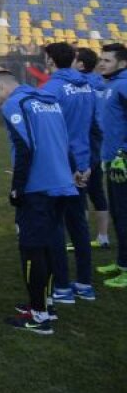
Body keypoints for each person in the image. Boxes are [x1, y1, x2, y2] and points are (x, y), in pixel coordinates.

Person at [0, 70, 78, 332]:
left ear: (1, 86)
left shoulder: (15, 104)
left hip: (38, 188)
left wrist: (17, 188)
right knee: (48, 247)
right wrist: (73, 169)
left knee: (31, 250)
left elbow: (26, 148)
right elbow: (64, 140)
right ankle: (45, 304)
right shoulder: (48, 99)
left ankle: (39, 316)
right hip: (61, 183)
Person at [39, 42, 96, 303]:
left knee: (54, 225)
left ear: (50, 60)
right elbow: (94, 127)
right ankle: (84, 283)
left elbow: (49, 132)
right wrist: (86, 164)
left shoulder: (51, 89)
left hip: (61, 165)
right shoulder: (88, 86)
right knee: (79, 225)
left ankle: (62, 287)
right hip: (82, 163)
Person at [95, 43, 127, 288]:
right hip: (113, 161)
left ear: (122, 63)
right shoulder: (111, 84)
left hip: (122, 162)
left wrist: (122, 153)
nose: (102, 63)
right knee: (118, 214)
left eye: (107, 60)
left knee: (125, 215)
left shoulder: (124, 84)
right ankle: (121, 263)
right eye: (101, 59)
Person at [75, 47, 111, 248]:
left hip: (84, 145)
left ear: (80, 64)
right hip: (98, 146)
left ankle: (81, 239)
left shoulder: (81, 87)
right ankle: (103, 237)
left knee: (79, 193)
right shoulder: (101, 85)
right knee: (97, 192)